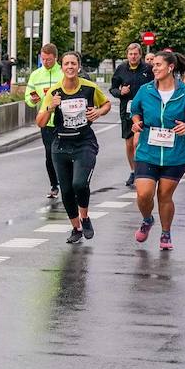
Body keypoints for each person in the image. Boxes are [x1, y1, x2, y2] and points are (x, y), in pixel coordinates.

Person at [128, 50, 185, 251]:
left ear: (170, 67)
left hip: (175, 154)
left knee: (164, 195)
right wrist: (136, 124)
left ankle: (165, 233)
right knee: (144, 194)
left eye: (159, 65)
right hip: (148, 151)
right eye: (153, 65)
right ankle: (147, 219)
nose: (154, 68)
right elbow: (135, 111)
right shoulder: (145, 90)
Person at [37, 52, 113, 244]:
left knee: (79, 183)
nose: (69, 67)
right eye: (66, 63)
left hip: (84, 142)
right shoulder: (54, 92)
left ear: (78, 67)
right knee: (67, 190)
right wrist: (50, 108)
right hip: (61, 144)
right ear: (61, 67)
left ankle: (85, 217)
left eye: (73, 63)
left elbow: (106, 104)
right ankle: (76, 228)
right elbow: (40, 122)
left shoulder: (89, 87)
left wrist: (98, 111)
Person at [110, 43, 154, 188]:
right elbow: (113, 88)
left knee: (140, 141)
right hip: (127, 110)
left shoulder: (148, 69)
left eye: (135, 54)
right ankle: (133, 171)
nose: (133, 56)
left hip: (145, 111)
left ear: (140, 55)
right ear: (127, 55)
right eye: (130, 54)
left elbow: (156, 86)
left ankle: (145, 170)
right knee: (129, 143)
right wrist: (120, 92)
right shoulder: (121, 69)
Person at [25, 43, 62, 200]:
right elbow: (28, 96)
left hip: (64, 121)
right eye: (43, 59)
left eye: (49, 59)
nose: (45, 62)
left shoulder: (63, 72)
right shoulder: (36, 75)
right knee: (49, 154)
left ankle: (68, 181)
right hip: (46, 121)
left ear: (56, 58)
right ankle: (54, 185)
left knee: (65, 153)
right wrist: (33, 99)